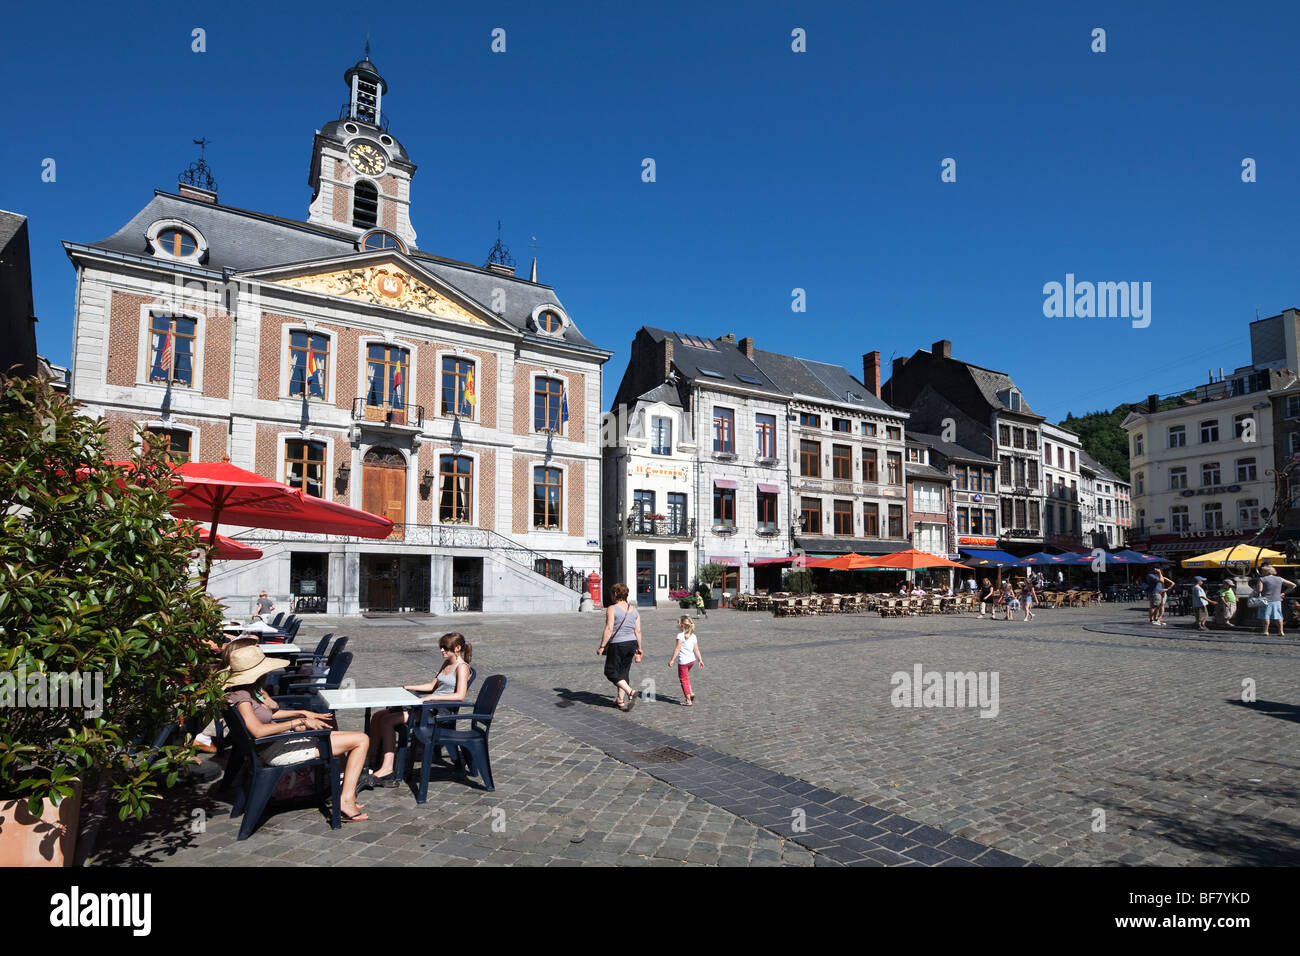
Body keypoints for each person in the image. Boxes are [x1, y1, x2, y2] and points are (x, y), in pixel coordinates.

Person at [222, 643, 374, 822]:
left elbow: (268, 714)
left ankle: (336, 787)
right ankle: (346, 799)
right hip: (276, 750)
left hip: (275, 744)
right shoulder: (242, 697)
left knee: (331, 727)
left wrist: (303, 713)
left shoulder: (244, 691)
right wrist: (296, 723)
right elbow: (257, 730)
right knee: (361, 740)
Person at [367, 632, 472, 785]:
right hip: (428, 706)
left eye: (446, 648)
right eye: (441, 647)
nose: (442, 650)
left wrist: (432, 697)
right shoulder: (447, 663)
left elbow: (460, 695)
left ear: (457, 648)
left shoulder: (462, 667)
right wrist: (407, 687)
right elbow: (431, 686)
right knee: (378, 716)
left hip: (439, 711)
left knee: (387, 721)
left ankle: (388, 768)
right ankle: (372, 758)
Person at [598, 582, 643, 711]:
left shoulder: (612, 608)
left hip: (618, 644)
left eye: (612, 593)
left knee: (610, 671)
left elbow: (609, 628)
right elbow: (638, 631)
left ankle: (630, 691)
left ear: (616, 594)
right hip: (632, 643)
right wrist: (639, 647)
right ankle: (620, 700)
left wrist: (602, 646)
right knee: (623, 671)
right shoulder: (634, 610)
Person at [667, 616, 704, 705]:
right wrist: (700, 660)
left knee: (683, 679)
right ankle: (690, 692)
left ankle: (688, 700)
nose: (677, 625)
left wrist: (672, 660)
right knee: (686, 677)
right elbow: (696, 649)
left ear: (682, 625)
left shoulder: (680, 636)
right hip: (691, 661)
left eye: (678, 623)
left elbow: (677, 649)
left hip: (683, 662)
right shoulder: (693, 636)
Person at [1254, 564, 1296, 637]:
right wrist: (1283, 593)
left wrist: (1255, 588)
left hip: (1266, 600)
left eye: (1262, 571)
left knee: (1265, 616)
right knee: (1278, 616)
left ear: (1266, 572)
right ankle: (1281, 631)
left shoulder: (1262, 579)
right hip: (1277, 600)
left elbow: (1259, 590)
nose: (1261, 572)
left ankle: (1266, 631)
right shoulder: (1279, 578)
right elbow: (1293, 585)